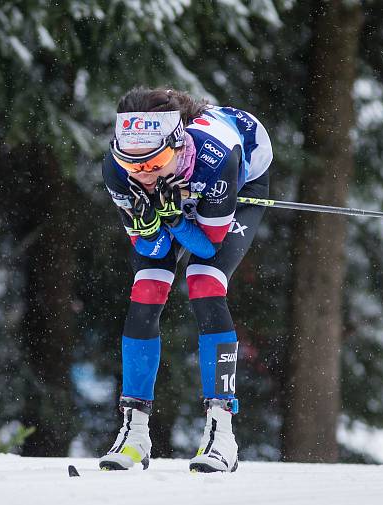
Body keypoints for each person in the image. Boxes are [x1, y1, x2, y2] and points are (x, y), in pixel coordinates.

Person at [99, 87, 273, 472]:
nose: (143, 174)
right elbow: (152, 248)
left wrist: (175, 217)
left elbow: (208, 246)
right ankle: (134, 432)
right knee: (146, 287)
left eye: (154, 161)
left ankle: (221, 434)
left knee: (204, 280)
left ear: (176, 147)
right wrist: (153, 222)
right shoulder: (117, 170)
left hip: (237, 184)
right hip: (186, 194)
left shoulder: (216, 157)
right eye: (133, 164)